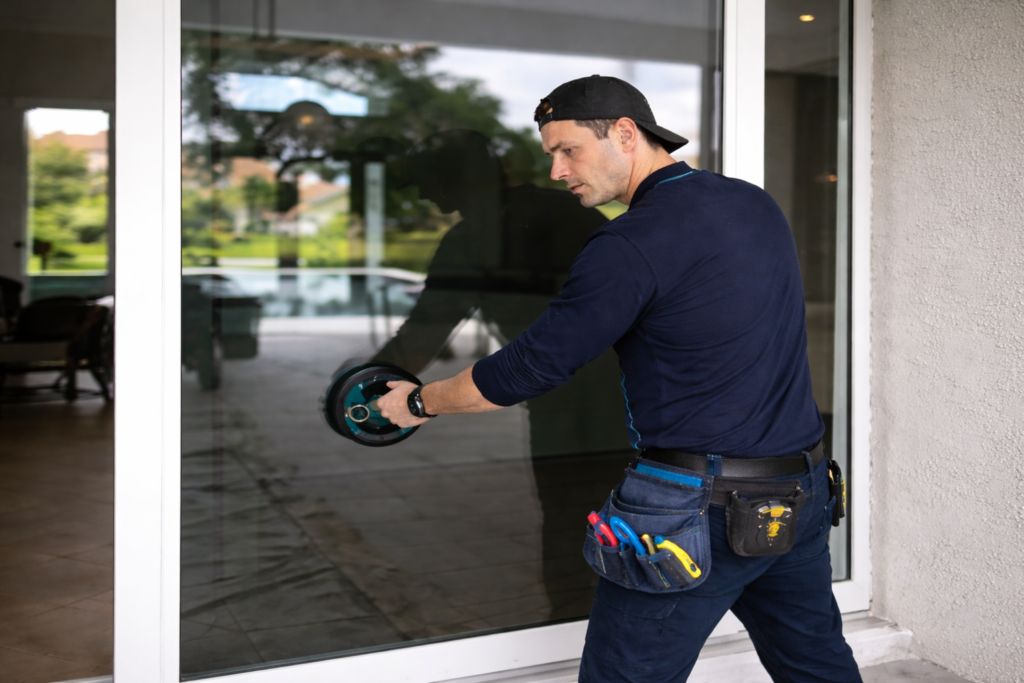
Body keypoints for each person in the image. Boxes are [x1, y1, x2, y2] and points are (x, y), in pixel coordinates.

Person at [378, 75, 861, 682]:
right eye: (549, 154)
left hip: (695, 508)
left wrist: (417, 402)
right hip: (799, 489)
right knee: (816, 664)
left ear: (626, 134)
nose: (556, 171)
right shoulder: (751, 202)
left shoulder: (629, 242)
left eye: (568, 149)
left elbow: (530, 367)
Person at [372, 129, 633, 619]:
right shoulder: (570, 213)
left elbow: (422, 337)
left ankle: (575, 626)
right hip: (633, 396)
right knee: (634, 520)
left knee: (568, 518)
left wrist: (364, 385)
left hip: (565, 403)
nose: (426, 195)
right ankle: (619, 625)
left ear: (455, 179)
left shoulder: (473, 237)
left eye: (430, 182)